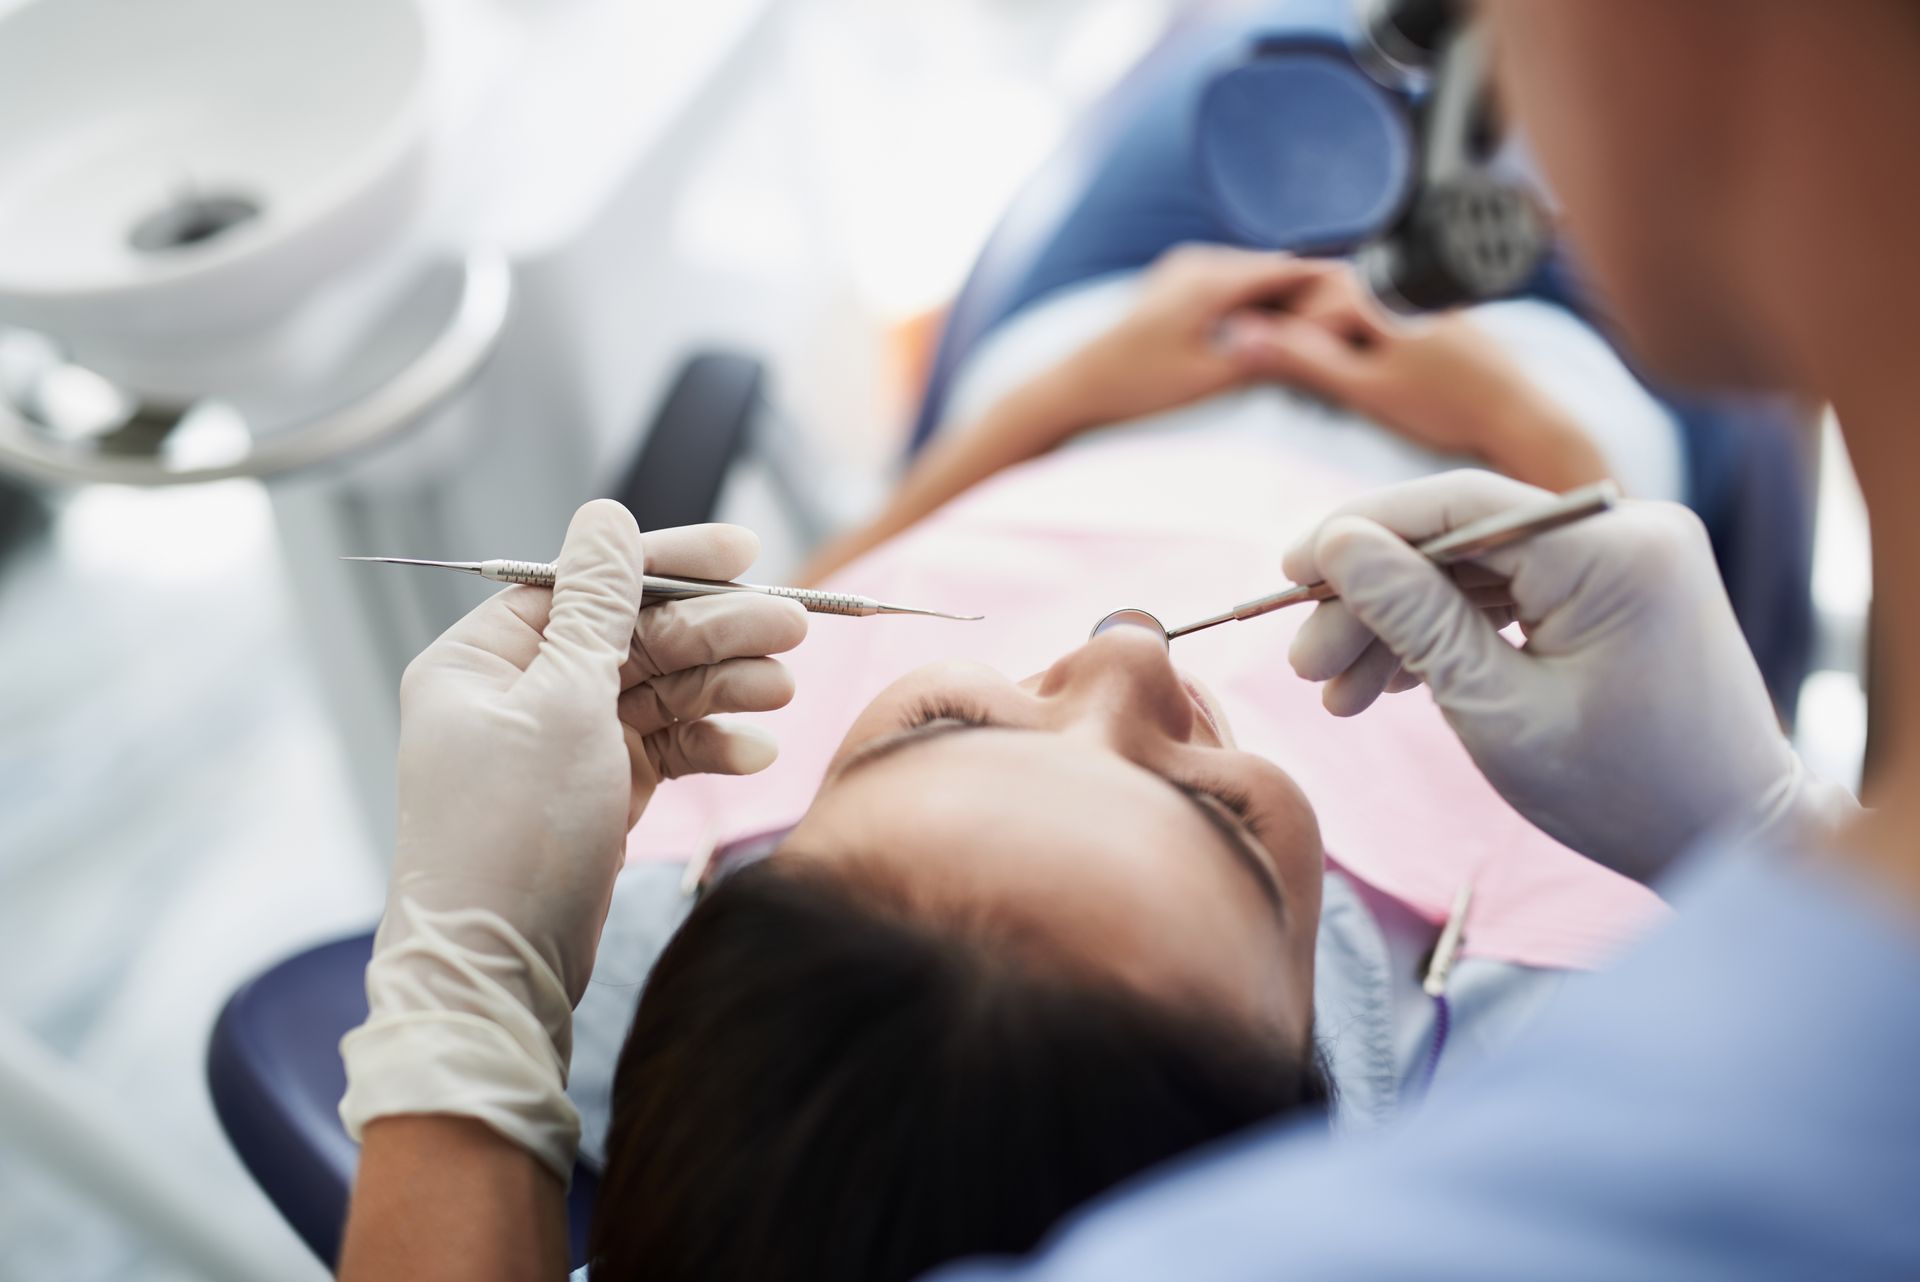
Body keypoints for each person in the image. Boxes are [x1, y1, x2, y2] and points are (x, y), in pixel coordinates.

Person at [337, 2, 1920, 1280]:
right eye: (1224, 820)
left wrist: (1053, 403)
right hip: (1536, 388)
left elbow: (838, 588)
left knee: (1256, 43)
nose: (1123, 646)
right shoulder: (1560, 1040)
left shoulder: (619, 949)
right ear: (1319, 1111)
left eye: (939, 728)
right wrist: (1538, 445)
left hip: (1100, 368)